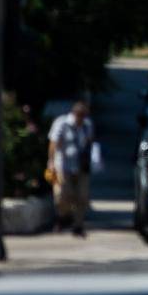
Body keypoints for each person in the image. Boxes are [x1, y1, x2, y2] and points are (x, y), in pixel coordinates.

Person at [47, 100, 96, 237]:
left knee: (82, 196)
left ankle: (78, 225)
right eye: (80, 116)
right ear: (75, 114)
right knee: (63, 194)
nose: (82, 119)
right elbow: (53, 143)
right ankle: (62, 216)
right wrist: (51, 162)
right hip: (63, 165)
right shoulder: (62, 123)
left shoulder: (87, 125)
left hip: (81, 166)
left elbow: (90, 142)